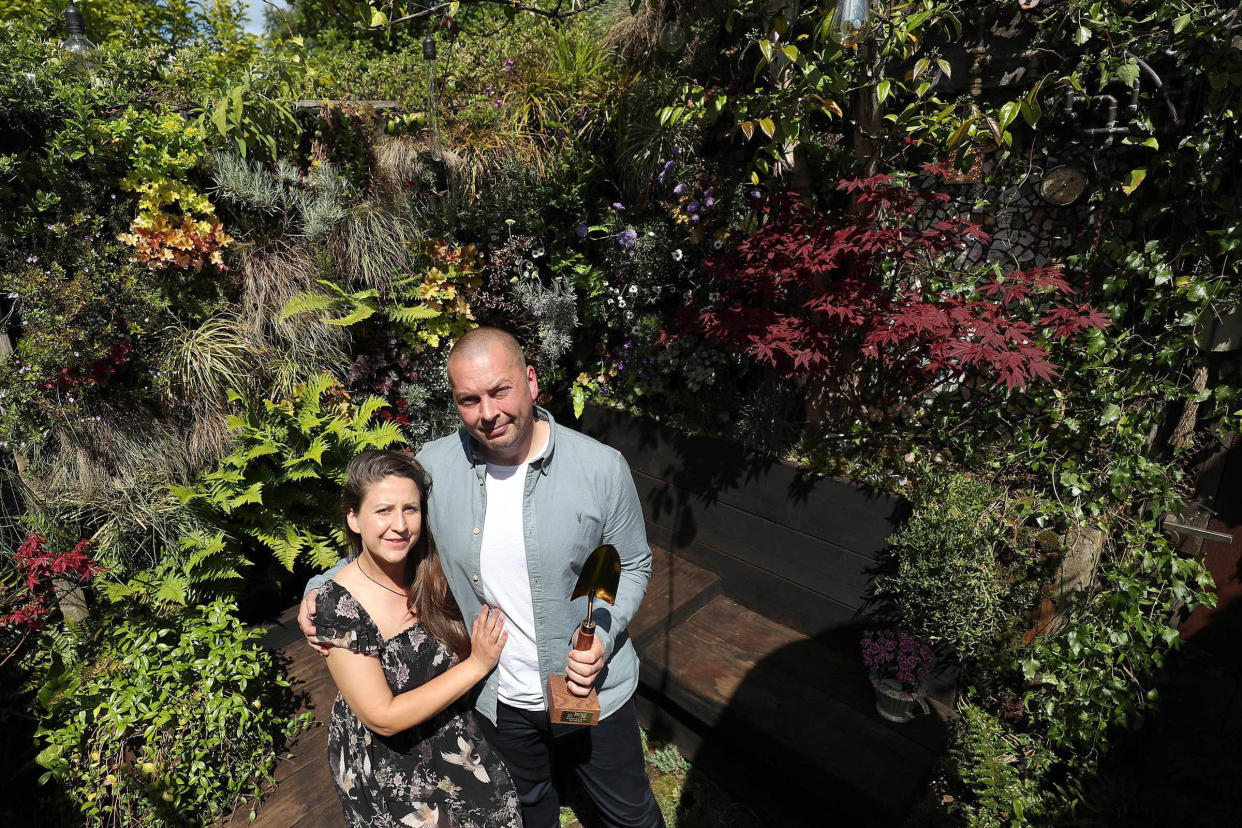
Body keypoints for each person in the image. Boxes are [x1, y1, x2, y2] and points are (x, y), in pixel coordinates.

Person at [302, 327, 664, 828]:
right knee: (531, 807)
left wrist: (602, 634)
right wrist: (323, 585)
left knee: (626, 812)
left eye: (500, 390)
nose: (488, 413)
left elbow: (635, 563)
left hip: (589, 686)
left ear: (531, 381)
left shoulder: (601, 468)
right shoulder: (436, 466)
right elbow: (390, 530)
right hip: (499, 698)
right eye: (469, 400)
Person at [314, 449, 522, 828]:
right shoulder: (337, 605)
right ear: (353, 517)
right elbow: (384, 718)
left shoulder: (430, 568)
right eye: (383, 511)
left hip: (453, 734)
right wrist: (478, 663)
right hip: (390, 760)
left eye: (410, 509)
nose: (399, 525)